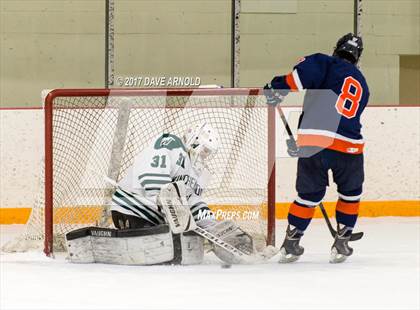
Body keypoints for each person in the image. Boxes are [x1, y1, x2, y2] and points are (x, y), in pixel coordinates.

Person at [264, 33, 369, 263]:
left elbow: (299, 79)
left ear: (336, 49)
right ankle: (342, 242)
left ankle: (291, 243)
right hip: (349, 146)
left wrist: (276, 87)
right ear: (357, 57)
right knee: (351, 195)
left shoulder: (325, 62)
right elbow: (343, 118)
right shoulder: (362, 82)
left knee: (308, 195)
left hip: (316, 143)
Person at [110, 122, 254, 264]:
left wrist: (212, 227)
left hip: (155, 217)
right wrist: (167, 202)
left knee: (180, 246)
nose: (205, 156)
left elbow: (192, 201)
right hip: (132, 207)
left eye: (208, 153)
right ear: (194, 141)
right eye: (205, 150)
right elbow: (151, 175)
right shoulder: (171, 143)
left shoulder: (195, 171)